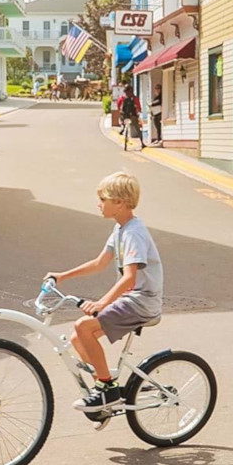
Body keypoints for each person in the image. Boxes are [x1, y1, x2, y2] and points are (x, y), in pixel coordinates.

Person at [45, 172, 163, 412]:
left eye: (102, 199)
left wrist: (101, 303)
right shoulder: (120, 229)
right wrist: (62, 276)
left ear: (119, 202)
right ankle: (105, 387)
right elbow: (99, 263)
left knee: (83, 326)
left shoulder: (133, 233)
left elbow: (129, 279)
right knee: (79, 337)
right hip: (132, 297)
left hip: (142, 300)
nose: (98, 204)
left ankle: (107, 389)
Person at [117, 84, 143, 150]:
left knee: (121, 120)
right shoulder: (134, 98)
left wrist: (120, 111)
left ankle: (122, 127)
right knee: (137, 129)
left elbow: (118, 105)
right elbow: (139, 107)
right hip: (133, 115)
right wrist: (138, 111)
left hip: (125, 115)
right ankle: (142, 143)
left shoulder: (122, 97)